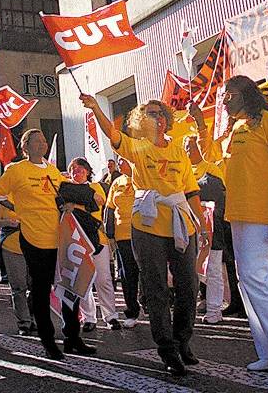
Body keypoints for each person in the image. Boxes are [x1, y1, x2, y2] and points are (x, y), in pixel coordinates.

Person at [191, 76, 268, 377]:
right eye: (223, 96)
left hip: (263, 213)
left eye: (228, 95)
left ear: (246, 95)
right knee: (247, 282)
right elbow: (214, 162)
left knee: (257, 280)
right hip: (238, 214)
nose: (224, 101)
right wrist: (200, 125)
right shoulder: (238, 128)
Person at [82, 95, 204, 377]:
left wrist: (202, 226)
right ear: (140, 120)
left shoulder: (179, 150)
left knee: (189, 285)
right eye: (149, 114)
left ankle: (182, 339)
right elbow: (113, 135)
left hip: (181, 224)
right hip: (147, 226)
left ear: (167, 120)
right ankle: (168, 350)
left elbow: (191, 191)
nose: (156, 119)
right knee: (156, 288)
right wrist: (97, 108)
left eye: (160, 114)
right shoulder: (137, 148)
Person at [0, 129, 96, 361]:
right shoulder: (16, 170)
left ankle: (72, 337)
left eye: (44, 140)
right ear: (25, 147)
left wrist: (68, 206)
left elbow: (63, 196)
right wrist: (18, 208)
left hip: (60, 237)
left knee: (69, 287)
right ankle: (48, 341)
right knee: (40, 290)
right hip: (33, 238)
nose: (42, 144)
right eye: (36, 141)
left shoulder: (53, 170)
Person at [71, 157, 121, 332]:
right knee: (83, 280)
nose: (76, 173)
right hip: (77, 239)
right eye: (73, 170)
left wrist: (74, 205)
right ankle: (89, 317)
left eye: (80, 170)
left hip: (98, 239)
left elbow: (95, 203)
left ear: (87, 171)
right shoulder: (67, 188)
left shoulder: (95, 187)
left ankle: (110, 316)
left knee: (104, 279)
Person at [184, 135, 226, 325]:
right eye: (186, 147)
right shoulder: (182, 170)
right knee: (189, 270)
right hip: (188, 229)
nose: (189, 150)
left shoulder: (211, 168)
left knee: (214, 270)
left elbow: (217, 192)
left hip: (210, 229)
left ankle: (215, 310)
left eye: (192, 146)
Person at [105, 158, 141, 328]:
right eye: (118, 161)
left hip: (143, 233)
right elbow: (109, 208)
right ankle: (132, 311)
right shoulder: (116, 182)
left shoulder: (142, 177)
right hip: (122, 235)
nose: (120, 164)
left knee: (148, 272)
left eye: (123, 161)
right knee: (127, 274)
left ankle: (150, 305)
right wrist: (109, 233)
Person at [0, 205, 34, 336]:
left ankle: (31, 316)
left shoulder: (33, 193)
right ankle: (24, 322)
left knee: (36, 286)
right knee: (19, 287)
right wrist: (8, 222)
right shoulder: (4, 199)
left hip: (35, 245)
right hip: (11, 247)